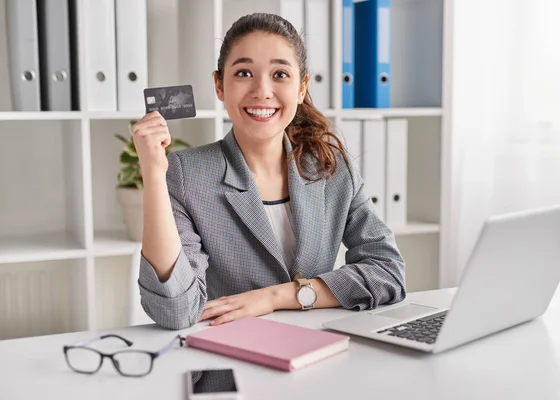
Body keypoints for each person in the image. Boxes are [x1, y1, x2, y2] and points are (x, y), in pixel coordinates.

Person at [133, 13, 406, 330]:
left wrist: (278, 297)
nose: (262, 91)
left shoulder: (332, 167)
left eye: (279, 74)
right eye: (244, 73)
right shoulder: (186, 174)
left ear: (302, 87)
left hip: (316, 350)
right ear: (219, 85)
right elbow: (176, 311)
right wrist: (153, 172)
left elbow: (388, 271)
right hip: (232, 354)